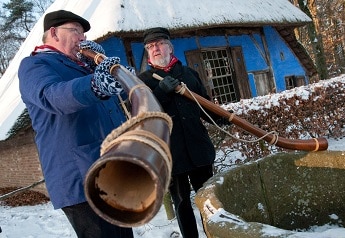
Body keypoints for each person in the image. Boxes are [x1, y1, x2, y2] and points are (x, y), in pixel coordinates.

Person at [18, 10, 133, 238]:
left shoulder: (80, 66)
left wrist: (110, 76)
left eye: (84, 34)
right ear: (54, 33)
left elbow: (105, 112)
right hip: (79, 179)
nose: (83, 39)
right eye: (76, 31)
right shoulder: (34, 65)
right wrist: (96, 83)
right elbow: (53, 95)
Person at [138, 27, 227, 238]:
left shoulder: (189, 73)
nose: (155, 49)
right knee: (181, 203)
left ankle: (215, 234)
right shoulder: (142, 81)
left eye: (159, 44)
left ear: (169, 47)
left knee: (209, 200)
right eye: (150, 47)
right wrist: (161, 92)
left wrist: (220, 118)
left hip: (198, 148)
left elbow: (203, 105)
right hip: (171, 154)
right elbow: (142, 117)